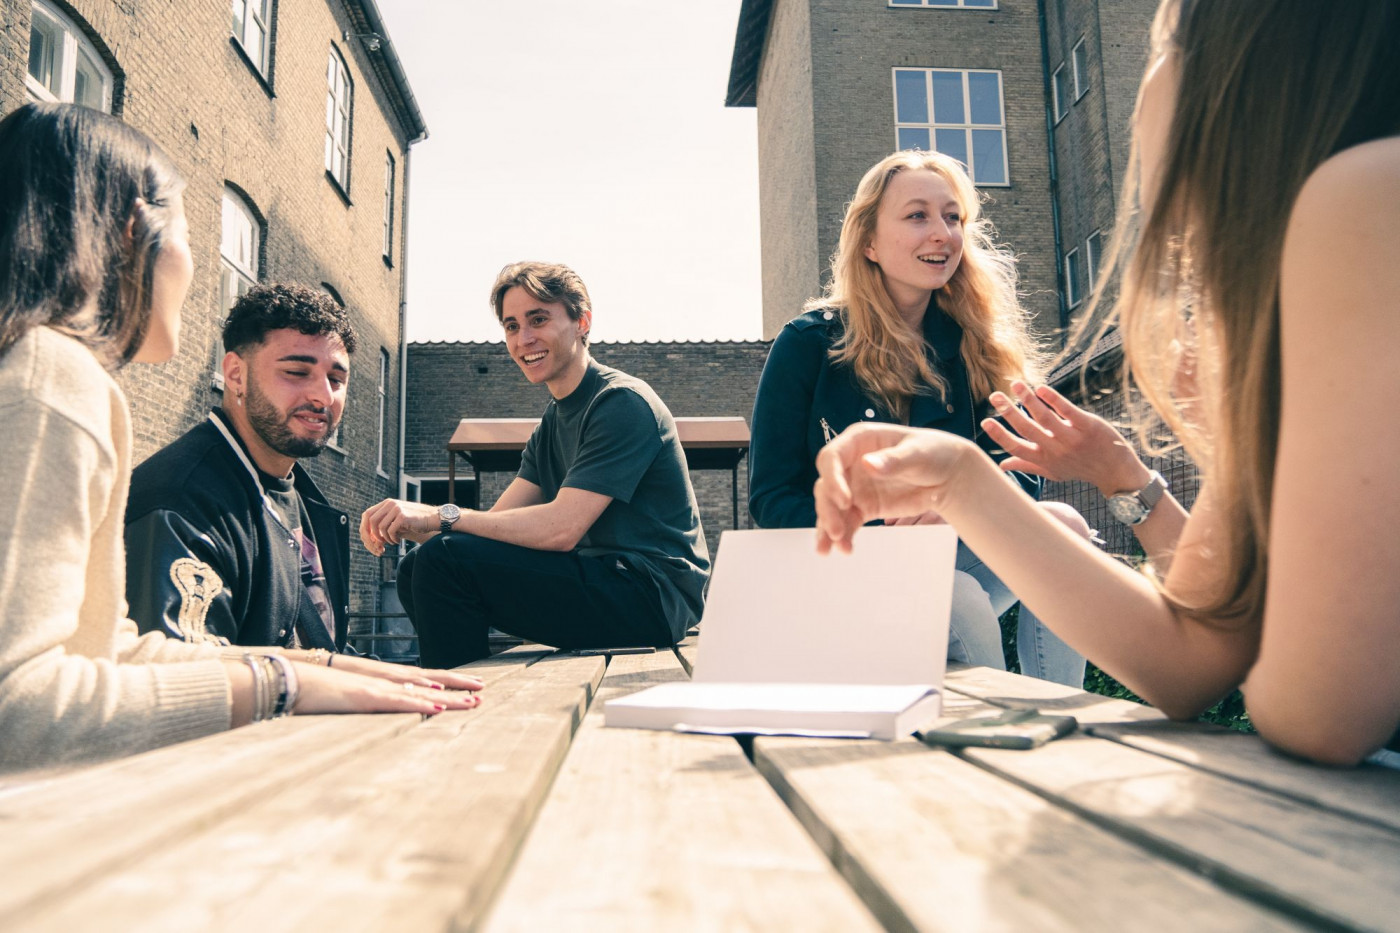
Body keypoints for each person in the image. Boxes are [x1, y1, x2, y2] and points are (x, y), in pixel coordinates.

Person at [811, 0, 1400, 765]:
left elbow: (1317, 708)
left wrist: (1223, 433)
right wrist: (966, 481)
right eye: (917, 215)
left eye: (1160, 43)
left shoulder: (1365, 196)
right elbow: (1191, 657)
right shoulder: (813, 341)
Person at [0, 103, 479, 776]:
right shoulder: (51, 378)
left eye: (337, 375)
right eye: (192, 236)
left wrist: (317, 669)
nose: (195, 269)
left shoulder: (46, 371)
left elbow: (107, 652)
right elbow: (16, 707)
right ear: (138, 232)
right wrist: (280, 686)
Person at [748, 148, 1087, 686]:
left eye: (953, 218)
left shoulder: (974, 345)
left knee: (1065, 530)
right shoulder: (808, 345)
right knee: (961, 596)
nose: (942, 234)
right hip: (845, 568)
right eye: (917, 216)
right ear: (870, 243)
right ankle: (985, 744)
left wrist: (962, 505)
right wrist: (885, 522)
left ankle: (1057, 715)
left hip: (947, 553)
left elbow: (1021, 471)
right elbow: (770, 498)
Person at [361, 261, 711, 667]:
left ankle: (457, 706)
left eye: (538, 319)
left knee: (444, 558)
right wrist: (411, 525)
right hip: (603, 581)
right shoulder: (552, 422)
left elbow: (561, 529)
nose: (524, 339)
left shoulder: (622, 403)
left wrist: (439, 515)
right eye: (511, 326)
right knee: (420, 564)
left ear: (582, 322)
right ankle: (461, 688)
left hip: (652, 596)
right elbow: (491, 531)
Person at [126, 283, 357, 652]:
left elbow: (322, 648)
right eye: (297, 371)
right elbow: (188, 681)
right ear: (235, 374)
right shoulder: (180, 504)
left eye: (336, 379)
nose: (323, 396)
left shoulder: (304, 497)